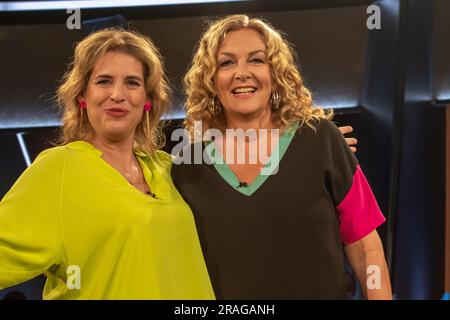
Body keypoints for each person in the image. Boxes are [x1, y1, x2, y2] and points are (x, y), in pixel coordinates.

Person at [172, 14, 392, 299]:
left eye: (257, 60)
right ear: (211, 81)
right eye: (227, 62)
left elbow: (366, 250)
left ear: (275, 76)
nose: (242, 72)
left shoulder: (322, 140)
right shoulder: (186, 166)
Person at [0, 28, 214, 300]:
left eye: (132, 83)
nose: (117, 94)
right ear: (82, 96)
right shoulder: (59, 168)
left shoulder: (171, 169)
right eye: (104, 81)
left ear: (147, 101)